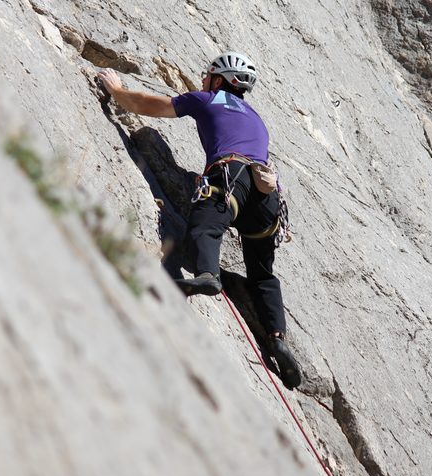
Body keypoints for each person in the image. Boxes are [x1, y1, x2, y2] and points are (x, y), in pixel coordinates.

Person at [98, 52, 301, 389]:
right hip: (266, 193)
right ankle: (277, 337)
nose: (203, 79)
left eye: (208, 75)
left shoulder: (208, 99)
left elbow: (155, 105)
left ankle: (207, 275)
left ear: (220, 80)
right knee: (263, 273)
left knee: (208, 220)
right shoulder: (255, 117)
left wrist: (117, 92)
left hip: (232, 175)